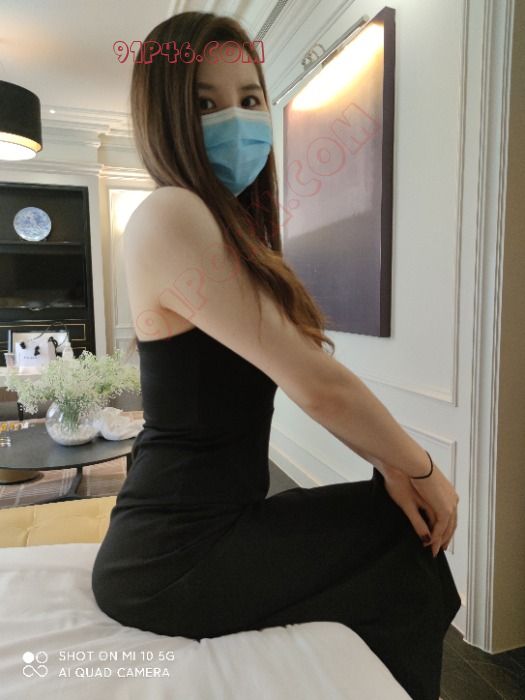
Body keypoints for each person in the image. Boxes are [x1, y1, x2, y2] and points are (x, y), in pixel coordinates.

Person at [92, 12, 461, 700]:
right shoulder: (171, 213)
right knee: (400, 540)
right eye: (205, 103)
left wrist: (392, 467)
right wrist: (421, 468)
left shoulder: (223, 227)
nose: (236, 120)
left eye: (250, 99)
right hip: (171, 555)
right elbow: (315, 383)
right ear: (164, 116)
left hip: (204, 527)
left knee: (392, 535)